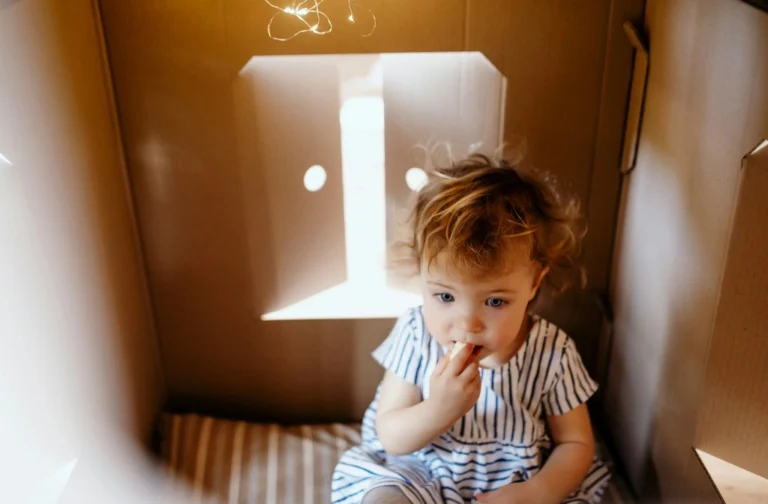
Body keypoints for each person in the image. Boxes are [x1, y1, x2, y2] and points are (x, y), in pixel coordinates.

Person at [331, 154, 610, 504]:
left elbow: (576, 443)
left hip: (515, 484)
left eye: (495, 302)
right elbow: (391, 435)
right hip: (419, 474)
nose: (467, 324)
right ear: (422, 276)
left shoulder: (552, 352)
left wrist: (537, 492)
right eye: (445, 295)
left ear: (534, 284)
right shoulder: (416, 333)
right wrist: (439, 408)